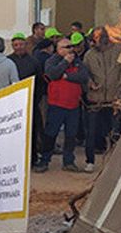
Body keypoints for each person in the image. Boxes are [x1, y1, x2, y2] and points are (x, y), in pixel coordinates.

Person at [36, 34, 89, 173]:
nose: (72, 49)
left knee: (71, 135)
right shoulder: (52, 60)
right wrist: (65, 62)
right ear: (59, 49)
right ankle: (44, 161)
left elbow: (83, 76)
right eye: (68, 47)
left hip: (73, 105)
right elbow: (53, 74)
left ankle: (68, 161)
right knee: (51, 133)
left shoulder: (78, 62)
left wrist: (67, 76)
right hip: (56, 104)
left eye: (72, 46)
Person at [83, 28, 121, 171]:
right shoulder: (89, 55)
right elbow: (84, 73)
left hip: (113, 100)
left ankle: (113, 162)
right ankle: (90, 161)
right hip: (95, 100)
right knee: (91, 132)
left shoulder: (118, 51)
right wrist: (90, 83)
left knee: (113, 131)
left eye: (96, 39)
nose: (94, 42)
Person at [9, 32, 43, 162]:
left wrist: (35, 100)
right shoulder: (8, 61)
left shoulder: (34, 61)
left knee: (32, 130)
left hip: (31, 101)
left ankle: (32, 157)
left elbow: (40, 82)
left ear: (26, 45)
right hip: (13, 103)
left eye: (21, 44)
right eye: (16, 45)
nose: (19, 47)